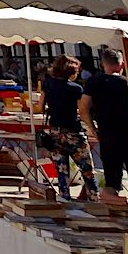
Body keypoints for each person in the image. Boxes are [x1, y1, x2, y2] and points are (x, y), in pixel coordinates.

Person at [79, 48, 128, 201]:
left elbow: (83, 107)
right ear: (122, 65)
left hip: (107, 130)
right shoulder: (127, 83)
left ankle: (113, 201)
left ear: (102, 64)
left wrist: (92, 128)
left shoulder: (93, 81)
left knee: (111, 173)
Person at [41, 54, 100, 201]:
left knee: (61, 169)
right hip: (73, 132)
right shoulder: (76, 89)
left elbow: (40, 106)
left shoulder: (47, 84)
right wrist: (92, 128)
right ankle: (93, 197)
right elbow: (83, 111)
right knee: (86, 169)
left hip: (55, 131)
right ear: (71, 72)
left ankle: (64, 196)